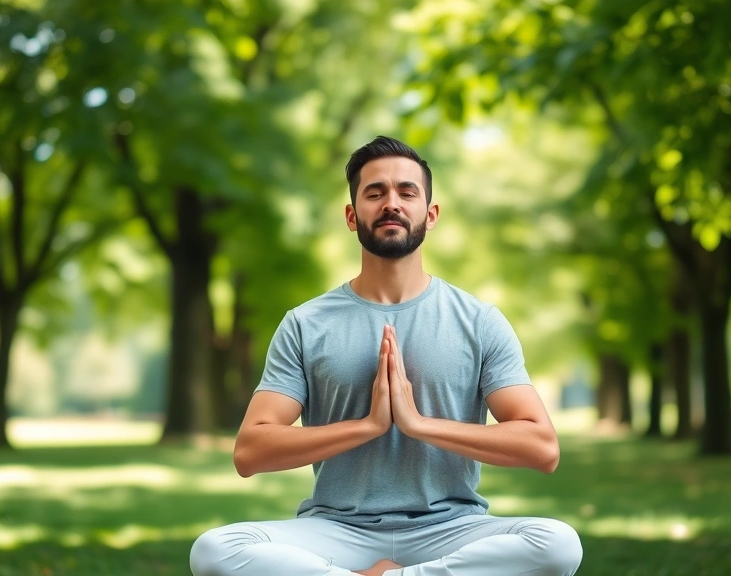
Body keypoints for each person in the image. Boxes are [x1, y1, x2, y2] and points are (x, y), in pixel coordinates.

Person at [189, 136, 583, 576]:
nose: (391, 203)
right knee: (214, 550)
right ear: (351, 215)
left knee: (557, 545)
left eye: (406, 192)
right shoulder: (305, 323)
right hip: (337, 528)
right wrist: (368, 425)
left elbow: (542, 447)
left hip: (451, 527)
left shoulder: (479, 321)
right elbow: (250, 451)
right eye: (374, 192)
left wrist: (418, 424)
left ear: (430, 214)